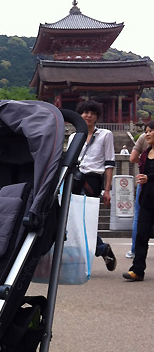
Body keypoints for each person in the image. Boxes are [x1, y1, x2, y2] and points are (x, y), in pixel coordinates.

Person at [71, 100, 117, 271]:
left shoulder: (105, 135)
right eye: (85, 112)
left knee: (83, 220)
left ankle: (100, 250)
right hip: (74, 179)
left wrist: (107, 189)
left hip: (92, 180)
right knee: (73, 219)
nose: (88, 116)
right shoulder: (74, 136)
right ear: (80, 115)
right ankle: (101, 249)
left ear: (97, 116)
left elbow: (109, 162)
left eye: (92, 113)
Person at [123, 121, 154, 281]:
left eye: (150, 131)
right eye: (146, 131)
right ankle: (137, 270)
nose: (147, 134)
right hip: (147, 200)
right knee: (141, 235)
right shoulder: (146, 153)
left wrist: (150, 178)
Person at [126, 130, 150, 258]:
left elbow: (133, 158)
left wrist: (144, 162)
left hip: (144, 182)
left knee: (139, 217)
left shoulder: (143, 137)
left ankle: (134, 250)